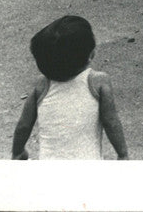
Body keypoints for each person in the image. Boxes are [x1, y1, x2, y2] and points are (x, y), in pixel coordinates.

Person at [12, 15, 128, 160]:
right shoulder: (98, 82)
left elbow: (24, 125)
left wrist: (18, 152)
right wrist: (122, 155)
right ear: (91, 54)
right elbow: (111, 122)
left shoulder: (42, 85)